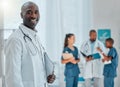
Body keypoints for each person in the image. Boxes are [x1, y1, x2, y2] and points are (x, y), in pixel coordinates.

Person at [4, 1, 55, 87]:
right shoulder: (15, 40)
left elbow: (36, 66)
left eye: (36, 12)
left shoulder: (36, 38)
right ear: (21, 15)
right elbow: (12, 78)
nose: (33, 16)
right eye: (29, 12)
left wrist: (47, 76)